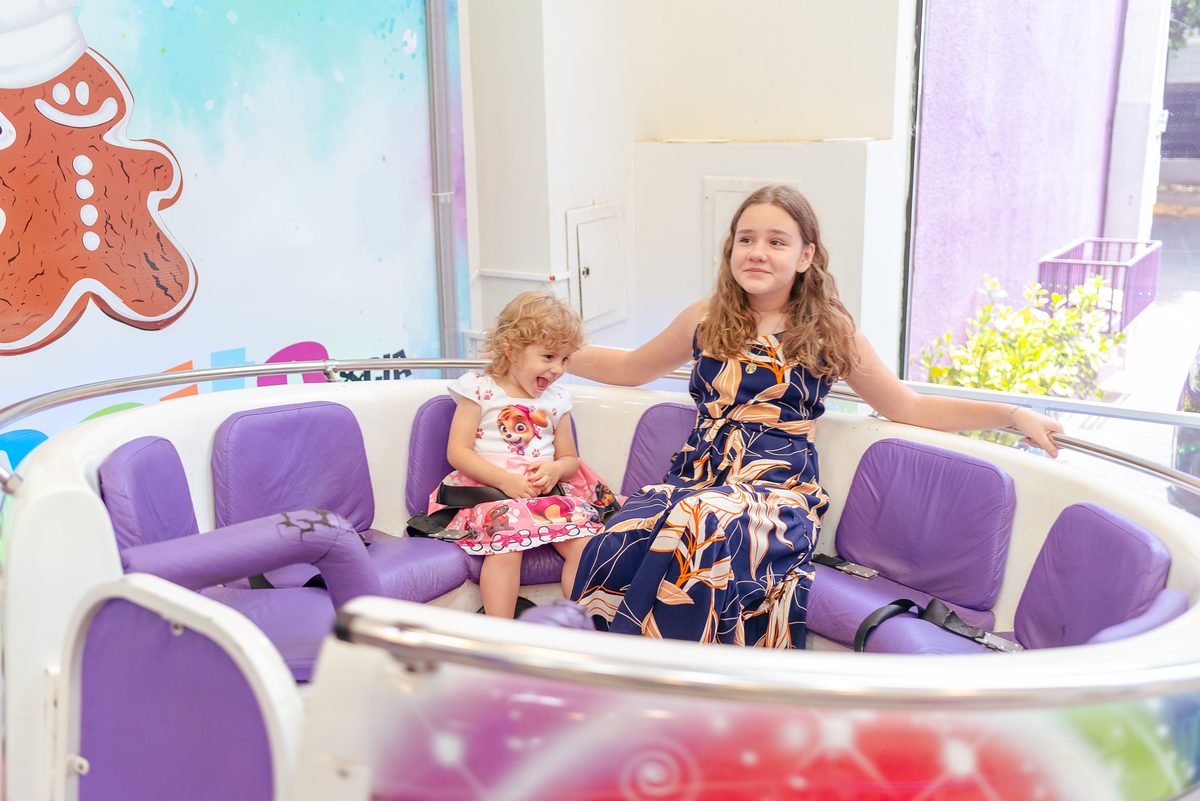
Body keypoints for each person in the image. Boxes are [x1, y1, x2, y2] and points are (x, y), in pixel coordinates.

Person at [567, 185, 1062, 647]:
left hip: (775, 491)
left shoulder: (828, 328)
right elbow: (631, 368)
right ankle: (607, 671)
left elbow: (906, 406)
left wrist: (1011, 415)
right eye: (746, 239)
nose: (757, 252)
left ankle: (692, 683)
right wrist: (550, 352)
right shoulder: (706, 317)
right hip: (696, 479)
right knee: (628, 528)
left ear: (805, 256)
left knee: (703, 522)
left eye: (776, 242)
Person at [435, 291, 619, 617]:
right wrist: (505, 481)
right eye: (548, 356)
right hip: (490, 491)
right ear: (512, 349)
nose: (558, 369)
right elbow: (458, 452)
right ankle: (501, 632)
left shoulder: (557, 400)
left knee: (584, 546)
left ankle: (576, 624)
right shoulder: (480, 389)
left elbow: (569, 459)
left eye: (565, 359)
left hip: (542, 494)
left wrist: (555, 470)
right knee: (507, 548)